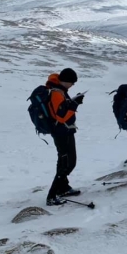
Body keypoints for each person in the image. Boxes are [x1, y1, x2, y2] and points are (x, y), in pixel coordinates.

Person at [45, 68, 85, 206]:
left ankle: (63, 187)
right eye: (71, 82)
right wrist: (75, 104)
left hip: (66, 132)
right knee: (65, 163)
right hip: (61, 132)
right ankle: (52, 196)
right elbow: (61, 117)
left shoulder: (61, 91)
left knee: (69, 162)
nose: (72, 85)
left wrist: (74, 101)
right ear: (65, 81)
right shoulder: (56, 93)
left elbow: (63, 109)